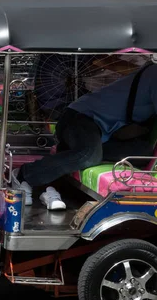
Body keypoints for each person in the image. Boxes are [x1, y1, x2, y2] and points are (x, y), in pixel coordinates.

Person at [15, 62, 157, 210]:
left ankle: (74, 153)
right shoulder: (155, 74)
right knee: (89, 156)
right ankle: (26, 173)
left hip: (102, 133)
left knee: (142, 151)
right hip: (80, 117)